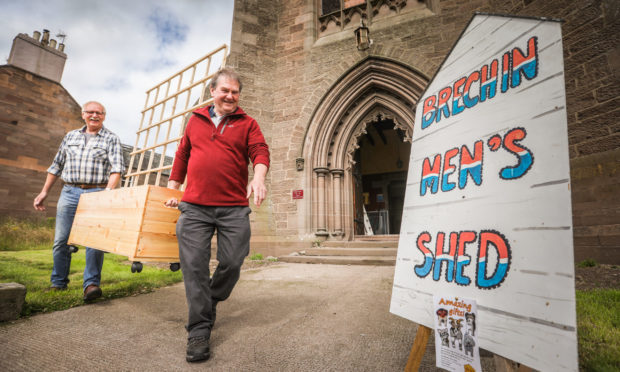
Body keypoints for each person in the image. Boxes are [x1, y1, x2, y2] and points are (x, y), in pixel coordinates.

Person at [164, 67, 270, 363]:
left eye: (235, 92)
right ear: (213, 91)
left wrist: (258, 178)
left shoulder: (247, 122)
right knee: (194, 266)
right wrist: (173, 190)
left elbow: (260, 151)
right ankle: (198, 328)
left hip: (233, 206)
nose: (230, 96)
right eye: (225, 90)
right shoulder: (195, 119)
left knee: (233, 261)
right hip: (194, 206)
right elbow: (182, 154)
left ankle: (208, 300)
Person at [34, 101, 125, 301]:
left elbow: (117, 169)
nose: (95, 115)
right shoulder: (70, 136)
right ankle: (58, 283)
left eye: (99, 113)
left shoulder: (111, 139)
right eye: (91, 112)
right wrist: (43, 192)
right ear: (83, 114)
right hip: (69, 192)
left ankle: (91, 285)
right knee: (61, 240)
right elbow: (56, 166)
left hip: (97, 192)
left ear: (104, 116)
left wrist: (108, 192)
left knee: (95, 242)